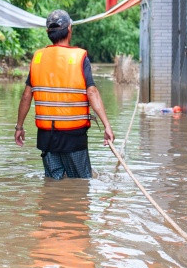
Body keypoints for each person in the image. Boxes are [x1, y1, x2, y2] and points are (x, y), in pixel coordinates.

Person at [14, 10, 114, 179]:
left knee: (52, 182)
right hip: (73, 136)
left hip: (46, 136)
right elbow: (91, 92)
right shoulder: (80, 57)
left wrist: (19, 127)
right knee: (81, 182)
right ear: (69, 29)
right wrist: (107, 125)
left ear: (48, 32)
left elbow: (26, 95)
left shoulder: (38, 58)